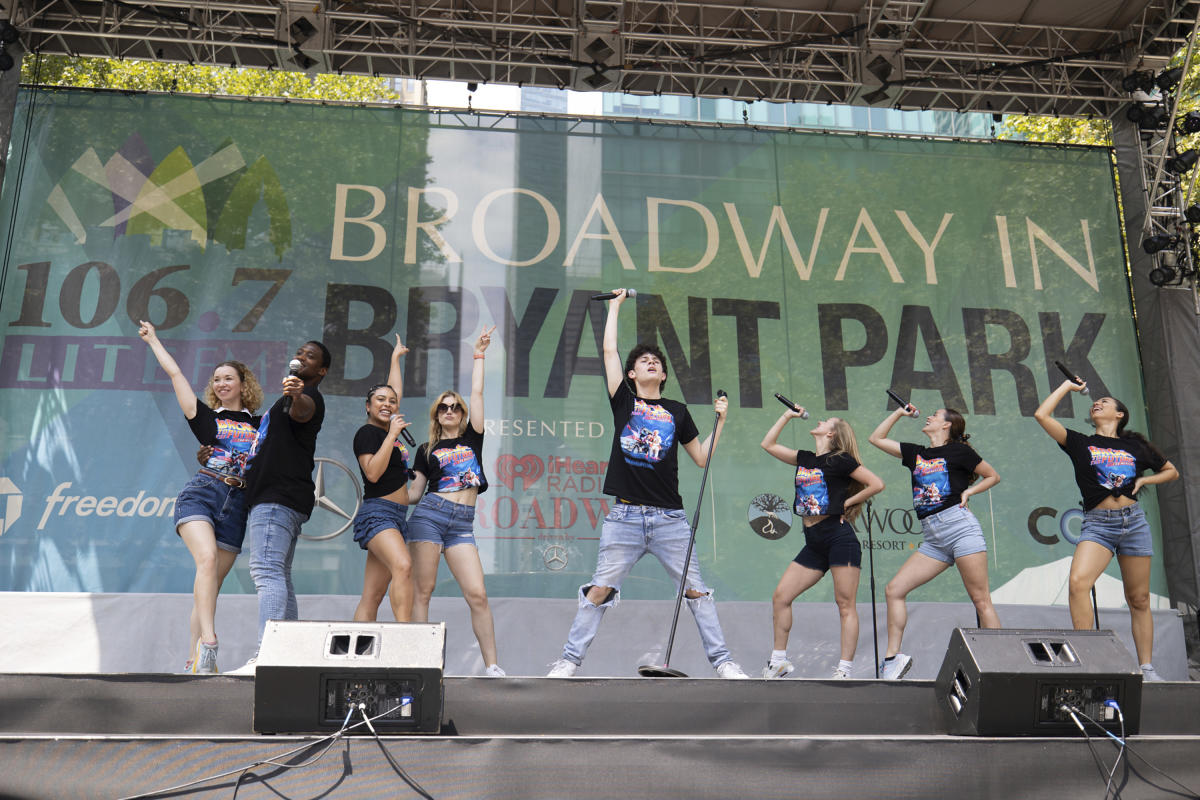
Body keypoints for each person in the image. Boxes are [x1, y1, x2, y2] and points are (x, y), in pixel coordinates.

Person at [547, 288, 749, 679]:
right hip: (624, 517)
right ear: (631, 374)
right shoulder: (623, 401)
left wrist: (720, 422)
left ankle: (724, 663)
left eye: (656, 361)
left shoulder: (677, 411)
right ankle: (568, 661)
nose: (651, 362)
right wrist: (616, 308)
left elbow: (702, 458)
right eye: (643, 360)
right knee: (600, 589)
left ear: (664, 374)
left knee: (696, 591)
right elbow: (608, 353)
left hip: (670, 519)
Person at [138, 321, 263, 674]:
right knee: (206, 560)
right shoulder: (206, 418)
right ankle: (210, 642)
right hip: (203, 493)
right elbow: (177, 375)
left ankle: (194, 661)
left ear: (243, 384)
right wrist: (154, 340)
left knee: (209, 587)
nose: (221, 384)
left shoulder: (261, 426)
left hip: (237, 506)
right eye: (216, 380)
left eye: (228, 378)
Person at [1034, 379, 1178, 681]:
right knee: (1077, 583)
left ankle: (1147, 669)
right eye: (1094, 402)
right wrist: (1066, 387)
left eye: (1105, 402)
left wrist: (1142, 481)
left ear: (1120, 414)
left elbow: (1171, 471)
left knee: (1139, 599)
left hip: (1134, 523)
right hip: (1098, 526)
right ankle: (1083, 659)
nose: (1097, 403)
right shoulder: (1080, 443)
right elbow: (1042, 416)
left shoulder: (1136, 446)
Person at [868, 404, 1001, 679]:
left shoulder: (961, 452)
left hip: (960, 527)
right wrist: (897, 413)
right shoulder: (917, 453)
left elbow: (992, 475)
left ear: (947, 425)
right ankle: (892, 660)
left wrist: (969, 492)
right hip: (933, 538)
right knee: (894, 589)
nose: (928, 416)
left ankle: (1002, 664)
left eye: (935, 415)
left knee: (981, 600)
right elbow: (876, 438)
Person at [406, 326, 505, 676]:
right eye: (443, 408)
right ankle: (420, 663)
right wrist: (392, 470)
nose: (450, 410)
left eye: (455, 407)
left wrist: (479, 353)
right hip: (429, 516)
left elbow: (477, 393)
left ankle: (492, 666)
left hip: (462, 523)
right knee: (424, 591)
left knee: (477, 594)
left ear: (462, 414)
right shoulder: (425, 449)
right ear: (436, 415)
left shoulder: (472, 438)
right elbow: (414, 494)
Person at [760, 408, 884, 679]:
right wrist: (785, 416)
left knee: (844, 604)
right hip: (813, 541)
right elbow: (767, 444)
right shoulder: (805, 458)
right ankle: (779, 661)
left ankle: (844, 670)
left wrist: (846, 504)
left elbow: (876, 483)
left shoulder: (841, 460)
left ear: (831, 433)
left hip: (838, 537)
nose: (820, 419)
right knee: (781, 597)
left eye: (826, 421)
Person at [234, 340, 330, 674]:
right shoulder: (286, 400)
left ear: (322, 371)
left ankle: (268, 654)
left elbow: (303, 411)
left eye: (311, 356)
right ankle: (288, 654)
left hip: (277, 498)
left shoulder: (307, 397)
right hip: (280, 498)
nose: (302, 357)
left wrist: (297, 393)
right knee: (279, 574)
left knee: (266, 571)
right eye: (301, 352)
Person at [351, 335, 416, 623]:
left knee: (373, 595)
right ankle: (405, 636)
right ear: (367, 406)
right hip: (378, 514)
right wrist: (392, 434)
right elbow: (373, 473)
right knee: (403, 565)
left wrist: (395, 360)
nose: (388, 404)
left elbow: (394, 391)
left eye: (391, 402)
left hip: (398, 516)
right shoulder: (368, 433)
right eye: (380, 400)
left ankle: (353, 659)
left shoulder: (388, 428)